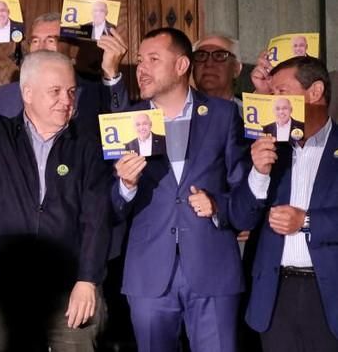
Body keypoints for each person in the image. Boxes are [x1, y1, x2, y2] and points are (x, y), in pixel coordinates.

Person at [0, 48, 111, 351]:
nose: (66, 100)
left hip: (72, 287)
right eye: (55, 91)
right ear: (27, 93)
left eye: (71, 91)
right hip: (12, 287)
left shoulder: (86, 145)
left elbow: (96, 217)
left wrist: (88, 280)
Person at [112, 27, 249, 352]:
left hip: (212, 268)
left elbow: (243, 189)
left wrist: (217, 205)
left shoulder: (223, 115)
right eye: (140, 60)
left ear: (182, 65)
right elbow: (107, 203)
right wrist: (126, 186)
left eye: (153, 59)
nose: (141, 68)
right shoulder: (125, 120)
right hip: (149, 272)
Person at [228, 56, 338, 351]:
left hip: (329, 294)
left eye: (280, 92)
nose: (273, 102)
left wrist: (306, 221)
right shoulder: (268, 149)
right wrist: (258, 173)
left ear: (314, 93)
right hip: (275, 295)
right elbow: (239, 218)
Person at [0, 12, 130, 136]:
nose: (41, 47)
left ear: (71, 50)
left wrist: (112, 73)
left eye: (51, 40)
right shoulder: (4, 97)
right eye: (35, 41)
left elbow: (122, 136)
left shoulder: (92, 94)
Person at [192, 33, 243, 112]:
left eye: (219, 56)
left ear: (236, 68)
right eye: (201, 55)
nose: (209, 64)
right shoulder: (176, 114)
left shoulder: (249, 116)